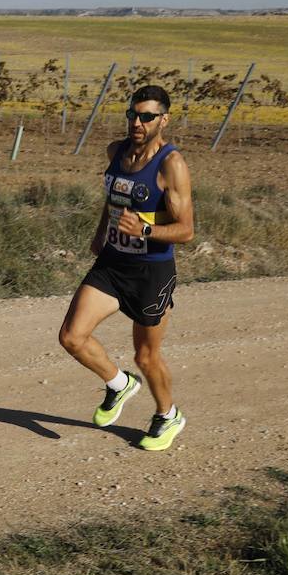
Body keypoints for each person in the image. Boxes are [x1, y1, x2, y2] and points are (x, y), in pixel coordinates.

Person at [58, 85, 194, 450]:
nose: (137, 122)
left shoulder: (171, 164)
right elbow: (114, 198)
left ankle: (168, 415)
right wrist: (101, 232)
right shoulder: (115, 152)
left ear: (163, 120)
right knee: (71, 337)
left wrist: (145, 229)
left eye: (147, 116)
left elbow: (186, 230)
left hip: (151, 271)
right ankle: (119, 384)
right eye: (133, 114)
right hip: (113, 262)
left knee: (146, 357)